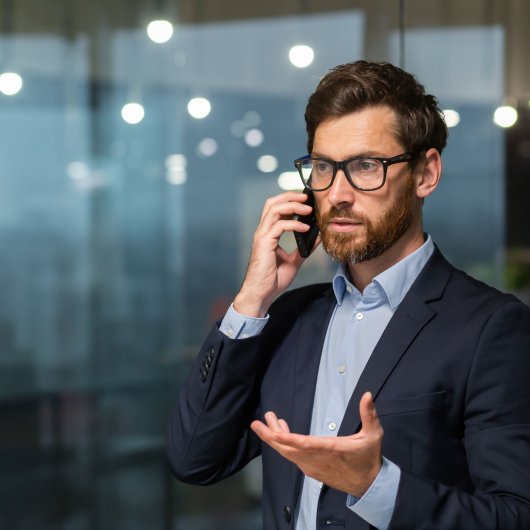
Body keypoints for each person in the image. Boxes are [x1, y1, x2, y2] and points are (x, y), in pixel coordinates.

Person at [167, 61, 530, 529]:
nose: (337, 193)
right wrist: (250, 303)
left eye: (365, 166)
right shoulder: (288, 318)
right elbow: (195, 459)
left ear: (425, 174)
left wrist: (376, 487)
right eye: (322, 167)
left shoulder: (492, 327)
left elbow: (516, 515)